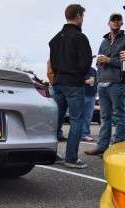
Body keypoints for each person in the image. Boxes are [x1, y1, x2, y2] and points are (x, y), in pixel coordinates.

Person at [49, 4, 93, 168]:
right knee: (76, 120)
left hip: (58, 83)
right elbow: (86, 63)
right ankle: (71, 158)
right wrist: (80, 75)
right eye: (83, 16)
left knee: (57, 121)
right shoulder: (80, 37)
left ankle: (52, 153)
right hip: (74, 83)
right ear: (79, 16)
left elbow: (52, 63)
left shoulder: (54, 39)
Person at [85, 13, 125, 156]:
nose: (115, 22)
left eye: (118, 20)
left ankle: (117, 149)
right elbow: (99, 63)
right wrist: (99, 78)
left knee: (120, 117)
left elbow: (124, 65)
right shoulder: (104, 41)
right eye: (112, 20)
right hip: (103, 84)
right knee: (104, 117)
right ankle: (102, 147)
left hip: (117, 83)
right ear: (108, 23)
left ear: (121, 23)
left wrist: (110, 60)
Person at [81, 67, 98, 141]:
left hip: (92, 95)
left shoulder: (93, 70)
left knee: (88, 116)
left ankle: (85, 134)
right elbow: (73, 80)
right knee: (80, 116)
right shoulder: (79, 68)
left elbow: (96, 81)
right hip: (82, 94)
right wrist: (85, 81)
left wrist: (96, 90)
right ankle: (79, 134)